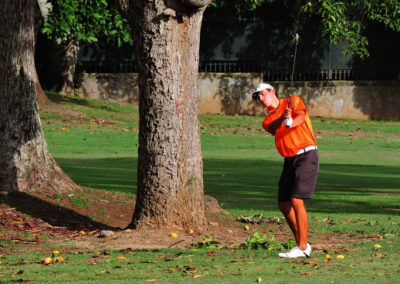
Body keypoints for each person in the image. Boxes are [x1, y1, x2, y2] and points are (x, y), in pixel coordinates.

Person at [252, 83, 319, 258]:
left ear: (272, 91)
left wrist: (291, 121)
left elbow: (301, 117)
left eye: (262, 94)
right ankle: (302, 244)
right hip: (289, 160)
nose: (260, 98)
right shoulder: (267, 121)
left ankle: (302, 246)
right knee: (283, 202)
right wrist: (284, 119)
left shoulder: (293, 100)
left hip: (306, 154)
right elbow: (273, 127)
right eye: (257, 96)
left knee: (296, 199)